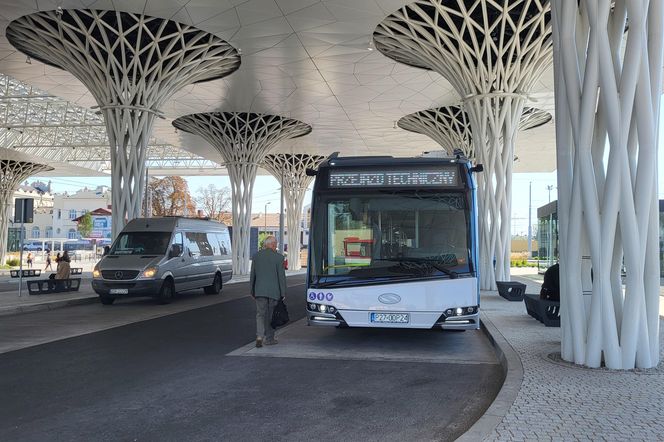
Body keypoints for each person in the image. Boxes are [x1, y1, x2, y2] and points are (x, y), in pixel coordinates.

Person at [250, 235, 286, 348]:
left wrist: (252, 290)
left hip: (259, 291)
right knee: (271, 316)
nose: (276, 246)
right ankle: (269, 339)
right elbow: (281, 277)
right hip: (274, 292)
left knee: (260, 315)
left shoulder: (256, 256)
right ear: (272, 244)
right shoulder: (279, 258)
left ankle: (259, 337)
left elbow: (253, 275)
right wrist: (283, 292)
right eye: (275, 244)